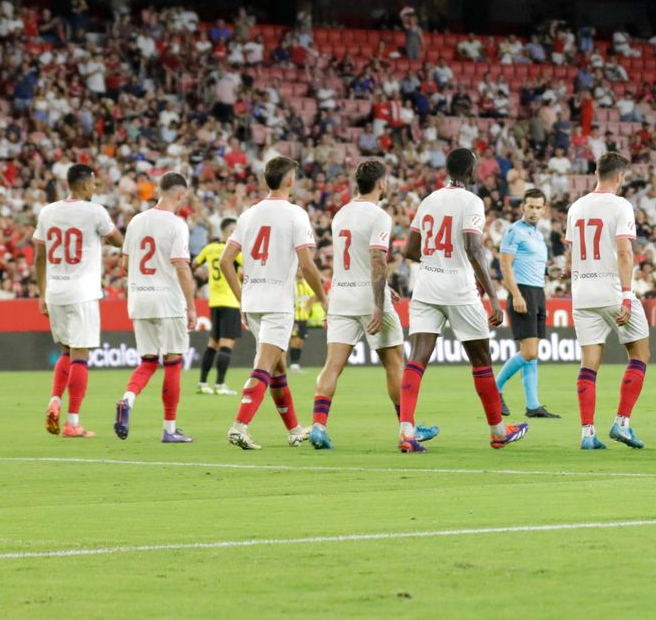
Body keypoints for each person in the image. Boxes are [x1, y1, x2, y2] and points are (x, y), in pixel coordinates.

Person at [398, 147, 525, 453]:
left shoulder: (427, 201)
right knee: (481, 360)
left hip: (426, 285)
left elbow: (410, 250)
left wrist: (435, 257)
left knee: (417, 358)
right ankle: (497, 431)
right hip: (458, 287)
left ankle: (406, 431)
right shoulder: (472, 202)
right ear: (470, 172)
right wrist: (493, 296)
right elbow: (473, 247)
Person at [310, 160, 437, 450]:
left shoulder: (341, 214)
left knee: (332, 365)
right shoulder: (378, 216)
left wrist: (385, 286)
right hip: (368, 299)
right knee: (394, 363)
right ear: (381, 184)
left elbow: (355, 259)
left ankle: (318, 426)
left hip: (340, 295)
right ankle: (408, 429)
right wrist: (379, 304)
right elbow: (377, 260)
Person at [219, 156, 327, 450]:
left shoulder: (248, 215)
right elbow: (307, 265)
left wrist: (242, 297)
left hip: (252, 300)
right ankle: (240, 425)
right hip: (278, 302)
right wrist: (323, 300)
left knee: (278, 366)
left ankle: (293, 429)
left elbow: (225, 261)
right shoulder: (295, 214)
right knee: (265, 364)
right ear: (290, 180)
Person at [565, 150, 650, 450]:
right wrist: (627, 296)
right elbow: (624, 252)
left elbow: (569, 254)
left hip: (582, 292)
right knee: (639, 354)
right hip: (612, 289)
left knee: (589, 363)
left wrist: (568, 272)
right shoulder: (620, 206)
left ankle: (587, 433)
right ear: (620, 176)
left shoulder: (576, 207)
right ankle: (622, 423)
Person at [34, 163, 123, 438]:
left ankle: (55, 399)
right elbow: (120, 240)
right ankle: (73, 422)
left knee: (65, 351)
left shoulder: (47, 212)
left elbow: (39, 257)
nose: (95, 189)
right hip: (82, 293)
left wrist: (41, 293)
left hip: (55, 292)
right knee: (81, 356)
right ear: (84, 186)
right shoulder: (95, 212)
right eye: (94, 184)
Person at [115, 172, 197, 443]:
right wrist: (192, 307)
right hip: (168, 300)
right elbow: (182, 268)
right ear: (180, 194)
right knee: (172, 362)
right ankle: (170, 429)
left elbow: (125, 265)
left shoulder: (136, 221)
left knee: (148, 361)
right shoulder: (177, 225)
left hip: (139, 298)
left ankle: (127, 399)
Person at [496, 189, 559, 418]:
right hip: (522, 292)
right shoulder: (514, 231)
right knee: (529, 351)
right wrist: (516, 295)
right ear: (523, 206)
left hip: (538, 292)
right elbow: (505, 266)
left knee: (531, 353)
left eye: (538, 207)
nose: (534, 211)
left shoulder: (538, 234)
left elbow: (530, 263)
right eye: (530, 206)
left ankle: (533, 405)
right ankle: (494, 388)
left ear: (544, 209)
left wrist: (548, 271)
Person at [195, 218, 241, 394]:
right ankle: (220, 384)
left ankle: (202, 382)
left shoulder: (209, 248)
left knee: (212, 343)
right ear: (229, 232)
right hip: (230, 301)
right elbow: (250, 265)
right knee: (226, 344)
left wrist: (206, 276)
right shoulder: (234, 251)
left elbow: (195, 264)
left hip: (214, 301)